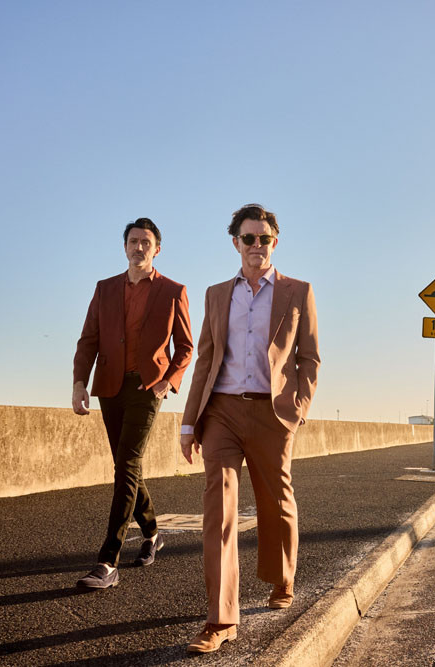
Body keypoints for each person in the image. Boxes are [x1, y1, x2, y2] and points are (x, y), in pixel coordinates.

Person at [180, 203, 320, 654]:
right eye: (248, 238)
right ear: (235, 242)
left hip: (272, 412)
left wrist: (297, 407)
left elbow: (309, 358)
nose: (256, 246)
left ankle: (282, 578)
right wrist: (189, 422)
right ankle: (220, 620)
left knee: (275, 500)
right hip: (220, 410)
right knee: (217, 507)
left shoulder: (298, 291)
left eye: (264, 238)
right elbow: (205, 358)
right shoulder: (217, 294)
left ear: (274, 242)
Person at [72, 218, 194, 589]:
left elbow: (186, 347)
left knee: (126, 463)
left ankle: (108, 561)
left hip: (147, 389)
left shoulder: (173, 290)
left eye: (146, 242)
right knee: (128, 466)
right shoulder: (105, 289)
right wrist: (80, 382)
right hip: (109, 386)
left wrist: (167, 383)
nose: (138, 247)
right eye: (133, 241)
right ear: (124, 246)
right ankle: (153, 533)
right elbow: (89, 339)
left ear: (157, 249)